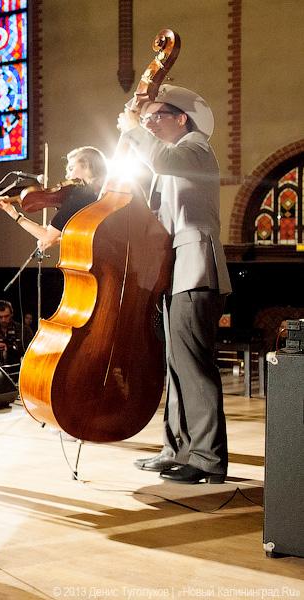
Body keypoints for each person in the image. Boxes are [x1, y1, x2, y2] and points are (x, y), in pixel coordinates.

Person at [117, 84, 231, 484]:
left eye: (156, 116)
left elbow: (161, 158)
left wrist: (134, 129)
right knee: (176, 364)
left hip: (197, 268)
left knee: (193, 364)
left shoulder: (196, 147)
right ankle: (177, 448)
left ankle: (207, 458)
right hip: (176, 267)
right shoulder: (171, 159)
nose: (149, 122)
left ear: (181, 117)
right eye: (146, 118)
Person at [0, 146, 107, 251]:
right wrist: (58, 240)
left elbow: (47, 237)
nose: (67, 175)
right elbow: (87, 236)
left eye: (71, 168)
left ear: (86, 166)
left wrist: (13, 213)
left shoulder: (80, 195)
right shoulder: (102, 194)